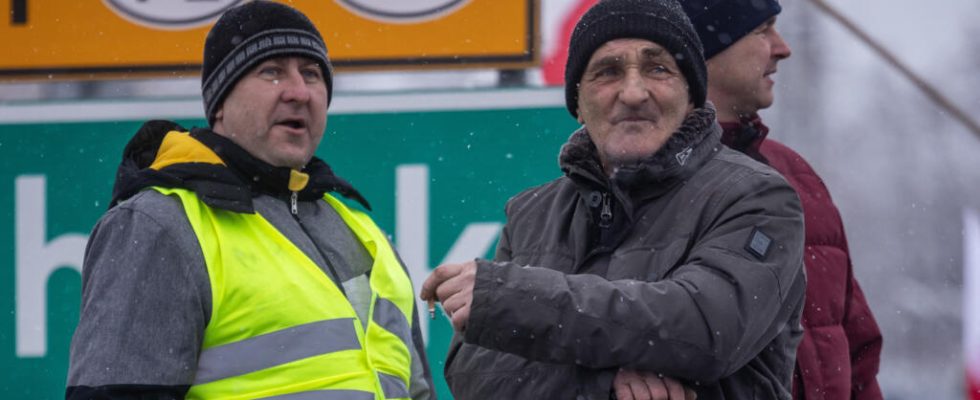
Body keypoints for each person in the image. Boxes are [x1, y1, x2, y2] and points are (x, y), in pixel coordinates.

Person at [420, 0, 807, 398]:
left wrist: (513, 298)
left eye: (658, 68)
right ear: (577, 105)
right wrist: (601, 382)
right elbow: (475, 379)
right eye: (608, 71)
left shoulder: (757, 197)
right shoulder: (530, 213)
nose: (634, 92)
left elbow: (708, 330)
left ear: (692, 94)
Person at [66, 2, 435, 399]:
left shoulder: (362, 231)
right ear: (220, 102)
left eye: (311, 74)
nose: (299, 92)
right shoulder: (161, 224)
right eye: (271, 71)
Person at [679, 1, 884, 398]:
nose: (782, 47)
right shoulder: (644, 185)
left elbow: (859, 354)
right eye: (762, 29)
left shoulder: (798, 176)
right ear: (704, 46)